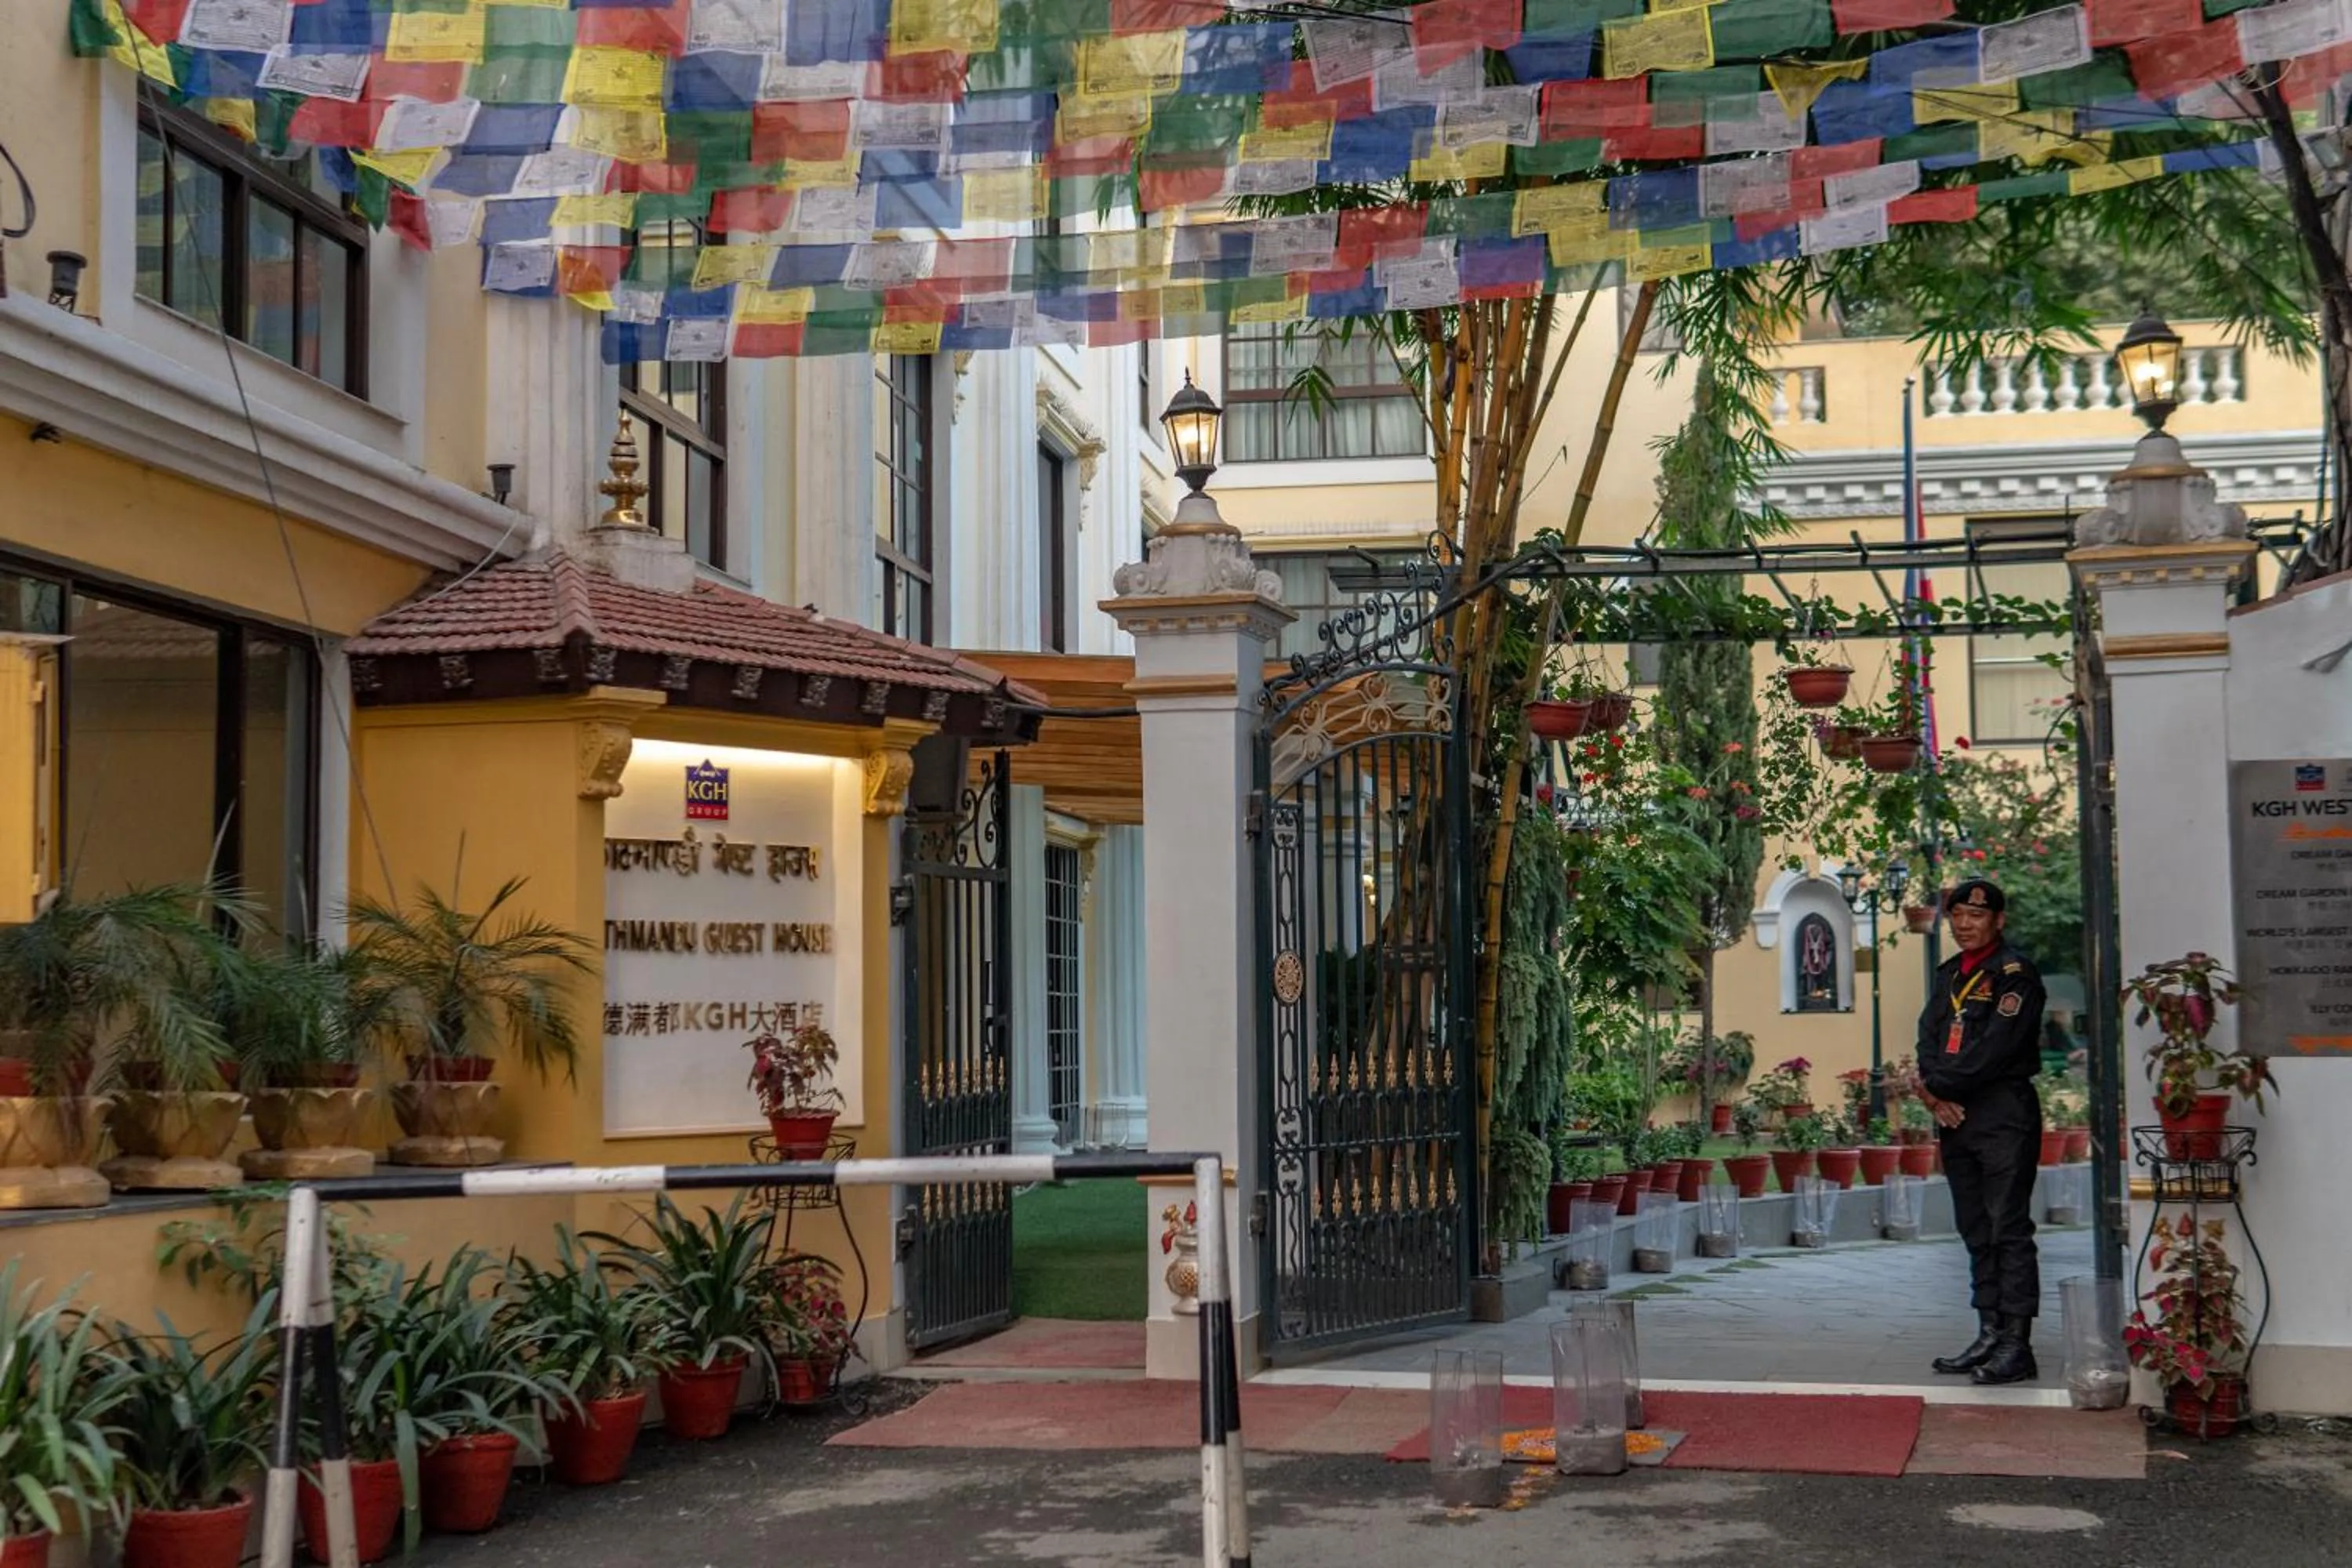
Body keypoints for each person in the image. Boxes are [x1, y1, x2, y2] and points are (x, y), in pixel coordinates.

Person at [1914, 878, 2048, 1386]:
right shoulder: (1950, 974)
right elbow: (1928, 1035)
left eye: (1977, 916)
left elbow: (1995, 1049)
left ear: (1999, 920)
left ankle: (2018, 1343)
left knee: (2007, 1228)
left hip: (2002, 1114)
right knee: (1975, 1228)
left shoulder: (2015, 976)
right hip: (1956, 1117)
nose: (1965, 925)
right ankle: (1989, 1330)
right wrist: (1935, 1087)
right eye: (1958, 917)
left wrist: (1940, 1087)